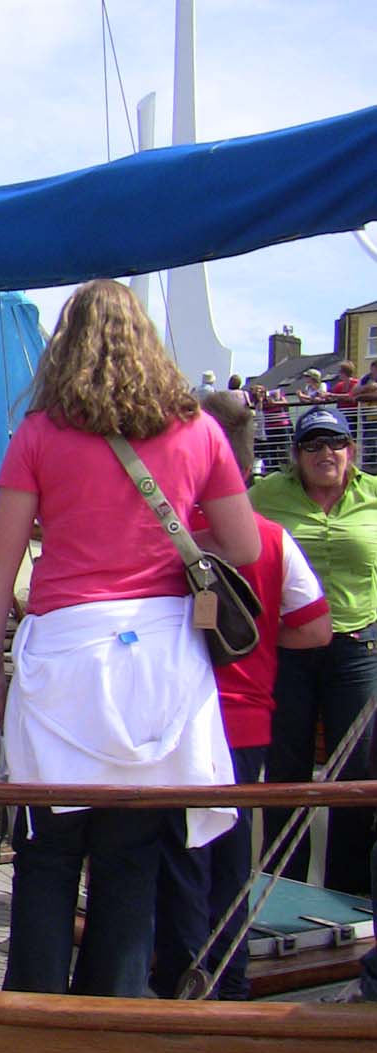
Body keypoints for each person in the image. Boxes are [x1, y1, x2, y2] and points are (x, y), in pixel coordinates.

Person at [0, 279, 259, 997]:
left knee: (46, 858)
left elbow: (0, 562)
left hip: (66, 649)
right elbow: (244, 543)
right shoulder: (200, 431)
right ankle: (116, 1023)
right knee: (130, 864)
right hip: (163, 655)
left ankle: (34, 1026)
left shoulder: (40, 433)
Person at [152, 392, 330, 1001]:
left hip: (174, 721)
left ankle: (178, 977)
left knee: (178, 857)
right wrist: (254, 641)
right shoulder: (273, 540)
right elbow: (314, 627)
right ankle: (228, 984)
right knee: (230, 861)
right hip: (244, 721)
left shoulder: (160, 539)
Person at [250, 405, 377, 896]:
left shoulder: (371, 496)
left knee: (355, 777)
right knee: (286, 771)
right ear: (296, 454)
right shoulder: (265, 495)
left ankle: (348, 897)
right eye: (313, 444)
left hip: (357, 646)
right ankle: (282, 892)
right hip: (287, 649)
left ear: (351, 449)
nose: (327, 453)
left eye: (336, 443)